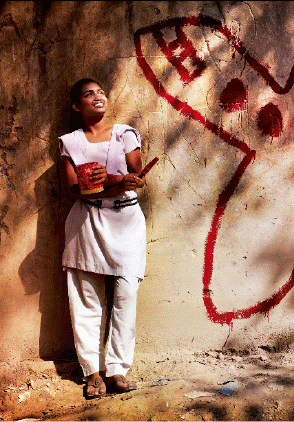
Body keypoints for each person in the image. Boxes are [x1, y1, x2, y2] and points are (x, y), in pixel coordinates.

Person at [59, 78, 147, 399]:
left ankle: (118, 371)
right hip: (87, 222)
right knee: (86, 299)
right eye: (88, 94)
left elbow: (135, 177)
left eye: (100, 92)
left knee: (125, 296)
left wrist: (110, 180)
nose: (98, 97)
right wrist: (114, 181)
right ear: (76, 105)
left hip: (126, 220)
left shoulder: (126, 134)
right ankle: (93, 373)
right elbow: (73, 189)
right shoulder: (70, 142)